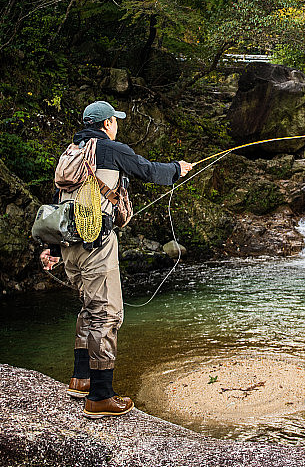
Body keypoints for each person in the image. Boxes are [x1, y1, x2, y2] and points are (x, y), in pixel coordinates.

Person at [40, 100, 192, 419]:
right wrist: (177, 169)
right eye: (115, 120)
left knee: (89, 309)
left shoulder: (72, 152)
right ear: (107, 123)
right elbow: (148, 170)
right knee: (107, 315)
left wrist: (52, 250)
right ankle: (100, 396)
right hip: (96, 244)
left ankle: (80, 379)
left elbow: (60, 201)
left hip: (68, 244)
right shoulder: (111, 149)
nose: (116, 125)